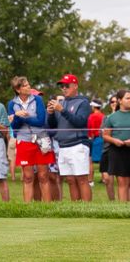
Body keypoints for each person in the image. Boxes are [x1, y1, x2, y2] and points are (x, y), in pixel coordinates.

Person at [47, 73, 92, 201]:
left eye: (67, 85)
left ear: (75, 86)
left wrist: (62, 110)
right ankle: (76, 208)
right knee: (71, 180)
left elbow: (80, 122)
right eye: (62, 86)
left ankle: (88, 209)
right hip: (63, 145)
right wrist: (50, 114)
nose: (64, 88)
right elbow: (52, 125)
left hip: (78, 144)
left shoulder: (83, 102)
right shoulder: (61, 103)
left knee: (82, 179)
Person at [7, 76, 53, 202]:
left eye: (28, 84)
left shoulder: (38, 99)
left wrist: (22, 117)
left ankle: (49, 208)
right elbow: (14, 126)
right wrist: (16, 116)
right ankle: (27, 208)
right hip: (24, 141)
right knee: (28, 177)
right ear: (18, 89)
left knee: (43, 175)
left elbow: (40, 121)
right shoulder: (12, 104)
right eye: (25, 85)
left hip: (41, 139)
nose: (29, 87)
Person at [103, 89, 130, 201]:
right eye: (128, 98)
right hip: (117, 151)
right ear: (120, 101)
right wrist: (115, 141)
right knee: (122, 182)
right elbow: (105, 135)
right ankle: (124, 210)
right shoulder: (111, 118)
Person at [101, 95, 118, 200]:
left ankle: (125, 204)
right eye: (112, 101)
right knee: (107, 179)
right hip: (107, 150)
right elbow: (101, 134)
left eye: (116, 101)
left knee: (123, 179)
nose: (114, 103)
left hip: (120, 151)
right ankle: (112, 202)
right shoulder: (106, 118)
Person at [87, 100, 105, 186]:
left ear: (94, 107)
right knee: (103, 160)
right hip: (103, 139)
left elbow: (91, 129)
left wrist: (90, 137)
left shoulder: (92, 116)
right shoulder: (104, 116)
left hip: (94, 139)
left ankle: (90, 181)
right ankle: (104, 179)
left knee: (90, 161)